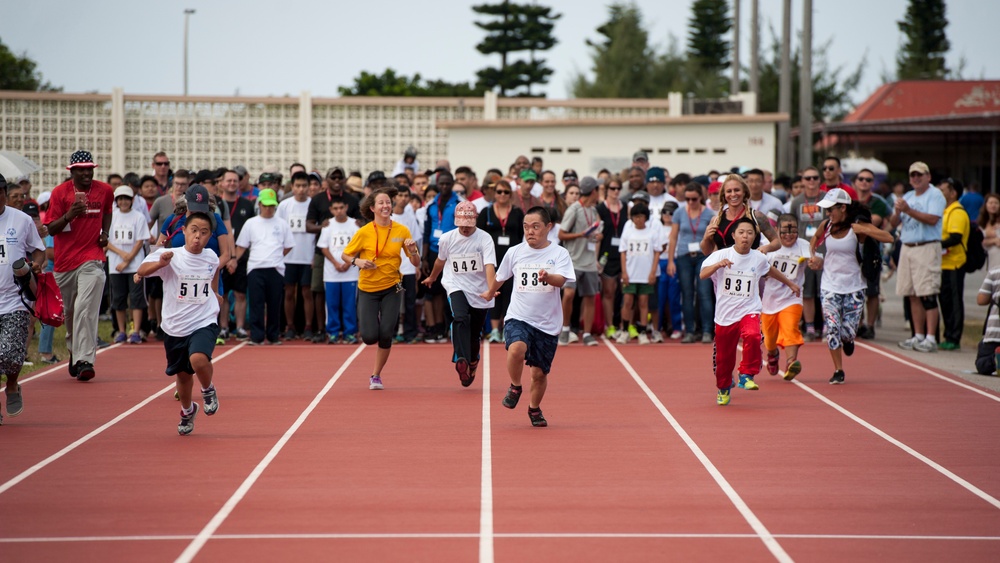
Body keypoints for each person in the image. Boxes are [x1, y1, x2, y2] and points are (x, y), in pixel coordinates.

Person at [480, 207, 574, 427]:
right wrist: (490, 291)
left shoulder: (559, 253)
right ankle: (515, 385)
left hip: (547, 323)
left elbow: (562, 280)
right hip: (519, 316)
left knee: (539, 374)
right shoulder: (515, 252)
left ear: (548, 227)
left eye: (535, 227)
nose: (529, 231)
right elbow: (501, 277)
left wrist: (548, 277)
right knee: (516, 348)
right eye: (526, 227)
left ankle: (534, 409)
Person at [137, 211, 222, 435]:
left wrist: (215, 294)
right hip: (175, 326)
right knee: (183, 377)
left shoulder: (212, 256)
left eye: (204, 233)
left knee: (198, 359)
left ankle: (208, 389)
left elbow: (213, 274)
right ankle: (187, 410)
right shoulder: (170, 255)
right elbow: (141, 271)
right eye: (194, 231)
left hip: (204, 320)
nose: (198, 238)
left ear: (209, 236)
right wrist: (159, 264)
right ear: (184, 231)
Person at [701, 217, 801, 405]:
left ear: (754, 236)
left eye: (749, 233)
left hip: (749, 309)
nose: (745, 237)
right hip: (725, 315)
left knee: (754, 335)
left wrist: (790, 284)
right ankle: (723, 389)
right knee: (724, 357)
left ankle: (746, 374)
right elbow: (702, 274)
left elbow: (770, 270)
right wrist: (717, 265)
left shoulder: (758, 257)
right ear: (734, 236)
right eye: (741, 233)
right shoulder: (722, 254)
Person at [809, 189, 893, 383]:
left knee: (848, 331)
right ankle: (838, 370)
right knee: (832, 328)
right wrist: (814, 257)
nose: (828, 214)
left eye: (831, 210)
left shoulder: (857, 228)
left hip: (854, 286)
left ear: (843, 208)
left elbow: (889, 238)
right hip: (829, 285)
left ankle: (848, 340)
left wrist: (865, 230)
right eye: (827, 210)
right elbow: (814, 240)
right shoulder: (827, 225)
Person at [44, 151, 114, 381]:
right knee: (71, 314)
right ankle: (75, 352)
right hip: (64, 264)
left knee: (86, 308)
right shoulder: (59, 193)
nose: (86, 173)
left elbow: (107, 212)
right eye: (81, 169)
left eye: (89, 168)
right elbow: (50, 229)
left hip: (92, 258)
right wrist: (69, 215)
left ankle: (85, 359)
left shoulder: (105, 190)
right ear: (71, 171)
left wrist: (105, 233)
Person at [342, 187, 421, 390]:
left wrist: (413, 252)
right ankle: (372, 329)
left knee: (386, 333)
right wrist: (357, 262)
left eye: (388, 202)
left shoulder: (402, 231)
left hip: (392, 287)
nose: (386, 206)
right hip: (368, 288)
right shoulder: (364, 232)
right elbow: (346, 255)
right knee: (369, 337)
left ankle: (376, 375)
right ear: (372, 207)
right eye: (381, 203)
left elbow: (416, 262)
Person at [422, 201, 497, 386]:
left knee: (474, 333)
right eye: (461, 224)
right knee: (460, 317)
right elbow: (440, 261)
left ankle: (472, 361)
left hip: (479, 290)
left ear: (475, 220)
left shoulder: (485, 238)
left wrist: (491, 289)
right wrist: (432, 277)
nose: (464, 228)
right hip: (456, 284)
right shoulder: (448, 238)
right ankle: (461, 358)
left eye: (468, 224)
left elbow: (489, 265)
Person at [0, 173, 45, 424]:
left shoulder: (21, 220)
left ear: (5, 193)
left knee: (9, 353)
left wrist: (36, 266)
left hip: (15, 298)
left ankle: (13, 384)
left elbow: (38, 250)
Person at [891, 162, 946, 353]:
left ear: (928, 176)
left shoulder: (935, 194)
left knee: (927, 293)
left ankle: (931, 338)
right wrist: (898, 211)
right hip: (907, 246)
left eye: (919, 175)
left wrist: (907, 210)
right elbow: (892, 222)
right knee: (912, 294)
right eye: (912, 175)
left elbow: (932, 219)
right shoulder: (907, 196)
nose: (915, 178)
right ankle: (918, 335)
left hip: (926, 246)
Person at [235, 189, 294, 346]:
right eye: (266, 205)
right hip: (255, 268)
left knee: (274, 304)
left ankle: (273, 336)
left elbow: (288, 246)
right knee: (256, 303)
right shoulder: (251, 223)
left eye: (272, 205)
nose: (269, 208)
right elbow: (241, 246)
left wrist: (276, 256)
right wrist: (233, 260)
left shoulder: (282, 224)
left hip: (275, 268)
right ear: (259, 204)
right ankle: (257, 336)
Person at [762, 214, 810, 381]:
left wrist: (815, 261)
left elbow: (816, 259)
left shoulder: (803, 245)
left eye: (793, 231)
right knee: (769, 338)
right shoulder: (768, 247)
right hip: (769, 300)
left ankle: (791, 362)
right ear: (776, 230)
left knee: (791, 328)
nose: (789, 235)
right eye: (785, 231)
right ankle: (772, 354)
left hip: (792, 297)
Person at [557, 176, 604, 346]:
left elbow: (598, 230)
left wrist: (598, 235)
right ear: (593, 191)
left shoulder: (593, 210)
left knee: (590, 297)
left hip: (590, 261)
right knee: (568, 294)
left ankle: (587, 334)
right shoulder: (574, 209)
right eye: (598, 190)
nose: (600, 192)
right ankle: (565, 329)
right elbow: (561, 234)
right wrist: (580, 235)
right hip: (573, 261)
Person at [668, 182, 716, 343]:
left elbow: (714, 238)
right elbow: (673, 237)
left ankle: (707, 331)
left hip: (704, 256)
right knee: (687, 294)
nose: (690, 202)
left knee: (704, 293)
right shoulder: (679, 213)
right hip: (684, 255)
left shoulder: (709, 214)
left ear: (700, 198)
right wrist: (670, 261)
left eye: (694, 199)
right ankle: (689, 330)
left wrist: (714, 256)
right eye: (687, 199)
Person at [478, 179, 524, 343]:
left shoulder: (517, 212)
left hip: (512, 259)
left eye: (506, 192)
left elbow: (521, 235)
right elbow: (480, 236)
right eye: (499, 192)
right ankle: (495, 330)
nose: (502, 195)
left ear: (510, 194)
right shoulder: (486, 212)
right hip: (493, 259)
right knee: (494, 291)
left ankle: (506, 329)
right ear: (494, 193)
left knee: (510, 293)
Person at [786, 167, 827, 341]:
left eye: (814, 178)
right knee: (808, 292)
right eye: (807, 178)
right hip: (804, 253)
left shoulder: (827, 199)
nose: (811, 181)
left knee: (824, 292)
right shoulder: (796, 202)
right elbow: (792, 226)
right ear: (802, 181)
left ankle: (827, 326)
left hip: (825, 251)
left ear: (819, 179)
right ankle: (810, 327)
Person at [106, 185, 150, 344]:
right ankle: (121, 330)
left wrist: (129, 258)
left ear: (132, 200)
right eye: (120, 199)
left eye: (126, 199)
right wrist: (122, 255)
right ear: (117, 201)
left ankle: (136, 331)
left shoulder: (138, 217)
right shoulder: (111, 217)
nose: (123, 202)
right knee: (118, 298)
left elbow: (140, 241)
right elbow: (106, 241)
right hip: (116, 266)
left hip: (135, 265)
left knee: (137, 298)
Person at [276, 171, 316, 340]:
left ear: (309, 187)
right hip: (289, 257)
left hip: (308, 256)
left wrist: (315, 255)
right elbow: (278, 230)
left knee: (307, 292)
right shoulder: (284, 205)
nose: (301, 189)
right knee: (289, 292)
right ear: (292, 187)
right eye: (297, 186)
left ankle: (307, 326)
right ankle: (290, 326)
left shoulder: (313, 205)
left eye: (304, 186)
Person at [421, 171, 460, 343]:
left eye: (447, 184)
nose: (444, 187)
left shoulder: (458, 204)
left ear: (452, 184)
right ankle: (434, 327)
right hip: (433, 252)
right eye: (441, 184)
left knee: (450, 291)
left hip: (453, 252)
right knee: (433, 291)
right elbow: (427, 231)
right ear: (437, 184)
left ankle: (449, 327)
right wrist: (423, 257)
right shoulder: (431, 205)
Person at [853, 168, 891, 340]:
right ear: (856, 181)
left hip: (872, 250)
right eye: (861, 179)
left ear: (873, 183)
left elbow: (883, 220)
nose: (864, 182)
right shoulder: (850, 200)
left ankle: (870, 325)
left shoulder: (878, 202)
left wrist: (883, 234)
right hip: (852, 249)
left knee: (872, 291)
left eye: (868, 180)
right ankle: (858, 324)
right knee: (855, 289)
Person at [616, 204, 661, 344]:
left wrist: (653, 272)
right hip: (630, 273)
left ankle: (642, 332)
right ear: (632, 218)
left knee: (643, 302)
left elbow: (657, 252)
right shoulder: (628, 232)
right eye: (636, 216)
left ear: (646, 217)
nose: (639, 219)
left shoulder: (652, 232)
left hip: (646, 274)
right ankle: (624, 330)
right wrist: (624, 272)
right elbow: (622, 252)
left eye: (641, 216)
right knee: (628, 301)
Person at [317, 199, 360, 344]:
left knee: (349, 304)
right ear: (331, 210)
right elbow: (323, 247)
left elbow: (359, 247)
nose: (339, 211)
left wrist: (348, 262)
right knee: (332, 304)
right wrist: (335, 263)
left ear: (346, 207)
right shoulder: (328, 225)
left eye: (342, 207)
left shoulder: (354, 224)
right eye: (336, 208)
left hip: (351, 272)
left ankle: (349, 332)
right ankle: (333, 332)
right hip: (331, 273)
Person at [937, 178, 970, 350]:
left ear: (953, 193)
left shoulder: (957, 211)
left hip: (955, 263)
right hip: (943, 264)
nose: (939, 193)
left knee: (955, 302)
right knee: (945, 301)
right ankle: (947, 334)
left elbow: (955, 237)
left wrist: (936, 245)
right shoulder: (945, 211)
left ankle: (954, 337)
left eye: (943, 190)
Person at [596, 175, 627, 339]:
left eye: (618, 188)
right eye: (612, 188)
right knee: (608, 291)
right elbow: (597, 235)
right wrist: (596, 258)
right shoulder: (600, 209)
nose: (615, 191)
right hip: (606, 255)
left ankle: (624, 324)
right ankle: (610, 326)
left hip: (623, 255)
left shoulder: (626, 208)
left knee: (625, 292)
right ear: (606, 190)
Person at [979, 193, 1000, 270]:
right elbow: (979, 241)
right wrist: (993, 240)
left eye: (996, 203)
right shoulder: (981, 222)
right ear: (986, 205)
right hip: (986, 260)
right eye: (991, 203)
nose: (993, 205)